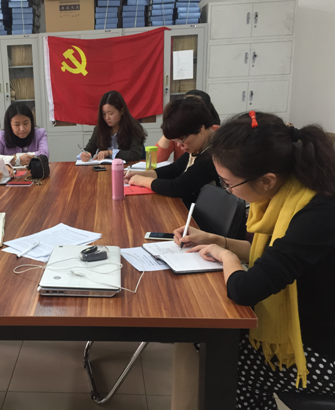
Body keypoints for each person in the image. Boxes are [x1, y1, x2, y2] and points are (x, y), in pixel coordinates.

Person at [173, 112, 335, 409]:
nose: (228, 190)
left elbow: (245, 289)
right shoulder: (291, 193)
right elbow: (272, 257)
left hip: (325, 349)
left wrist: (225, 255)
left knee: (226, 359)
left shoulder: (317, 213)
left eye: (228, 183)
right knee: (212, 344)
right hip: (315, 326)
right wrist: (217, 240)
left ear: (266, 180)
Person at [125, 97, 219, 207]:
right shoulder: (198, 147)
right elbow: (173, 170)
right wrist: (138, 174)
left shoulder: (213, 154)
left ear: (201, 129)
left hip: (199, 214)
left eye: (182, 139)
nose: (179, 145)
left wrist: (141, 180)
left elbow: (178, 187)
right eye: (176, 141)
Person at [79, 90, 146, 162]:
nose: (107, 118)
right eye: (104, 114)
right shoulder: (99, 128)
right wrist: (85, 155)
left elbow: (135, 154)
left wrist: (109, 152)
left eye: (110, 113)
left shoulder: (133, 127)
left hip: (127, 167)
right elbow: (89, 150)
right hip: (105, 168)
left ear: (121, 111)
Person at [156, 90, 221, 163]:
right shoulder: (179, 133)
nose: (179, 144)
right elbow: (156, 161)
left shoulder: (216, 136)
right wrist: (170, 128)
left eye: (182, 139)